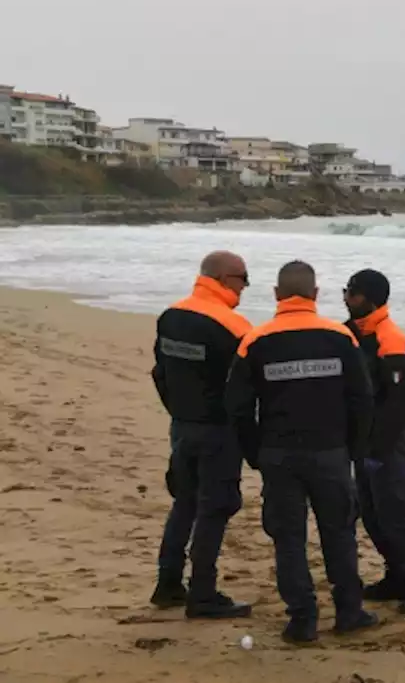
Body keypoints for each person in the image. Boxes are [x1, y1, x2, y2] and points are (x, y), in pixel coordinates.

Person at [225, 260, 378, 643]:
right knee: (339, 532)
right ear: (316, 294)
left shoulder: (256, 340)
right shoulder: (341, 338)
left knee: (289, 538)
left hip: (279, 454)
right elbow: (362, 399)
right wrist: (353, 449)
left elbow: (238, 406)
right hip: (330, 452)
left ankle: (302, 619)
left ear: (277, 295)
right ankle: (348, 611)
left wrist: (254, 452)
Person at [150, 250, 254, 619]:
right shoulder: (234, 327)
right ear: (226, 279)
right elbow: (245, 392)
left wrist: (178, 411)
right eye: (243, 279)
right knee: (215, 508)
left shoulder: (171, 317)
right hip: (218, 431)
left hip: (182, 424)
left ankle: (168, 583)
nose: (245, 287)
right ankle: (203, 593)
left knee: (185, 502)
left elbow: (159, 372)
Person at [343, 269, 405, 614]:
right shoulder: (348, 334)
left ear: (368, 298)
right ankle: (396, 575)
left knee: (395, 514)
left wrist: (378, 448)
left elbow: (402, 404)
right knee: (370, 514)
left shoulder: (392, 340)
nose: (346, 297)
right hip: (360, 443)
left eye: (351, 293)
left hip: (389, 443)